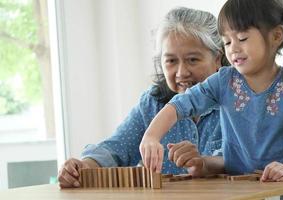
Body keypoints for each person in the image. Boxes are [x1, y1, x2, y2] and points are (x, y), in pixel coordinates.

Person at [139, 0, 283, 199]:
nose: (233, 48)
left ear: (276, 36)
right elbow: (181, 104)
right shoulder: (223, 81)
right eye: (227, 42)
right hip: (246, 190)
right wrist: (151, 136)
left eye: (242, 38)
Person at [57, 7, 228, 188]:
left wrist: (205, 162)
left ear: (217, 58)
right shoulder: (153, 103)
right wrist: (83, 167)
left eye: (193, 59)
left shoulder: (238, 101)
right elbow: (116, 148)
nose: (181, 72)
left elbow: (244, 160)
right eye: (171, 61)